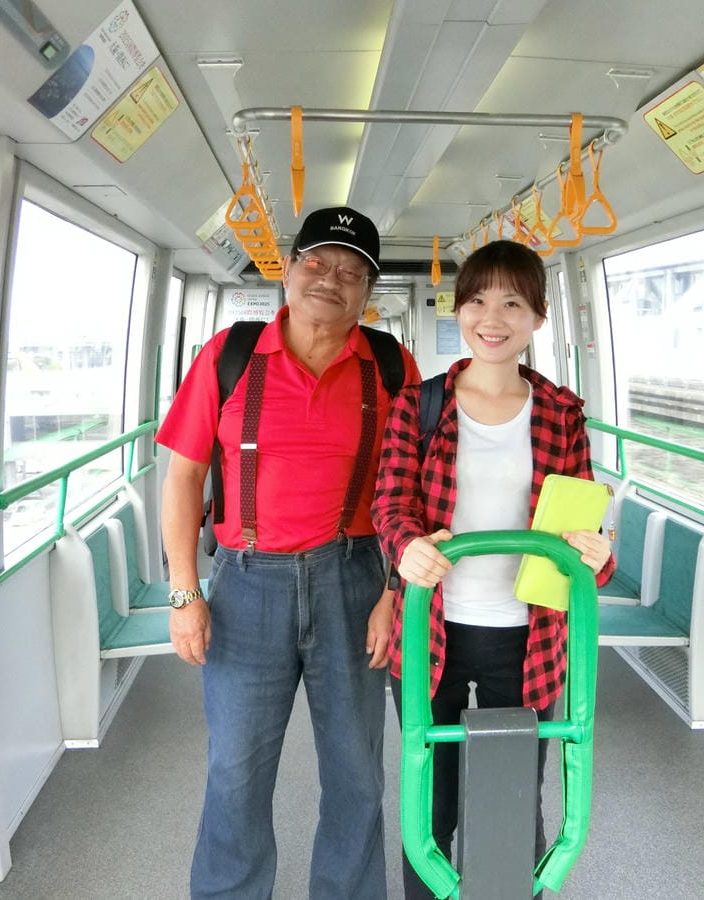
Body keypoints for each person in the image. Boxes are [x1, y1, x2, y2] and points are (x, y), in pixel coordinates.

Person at [156, 206, 422, 900]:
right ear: (289, 269)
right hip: (245, 586)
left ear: (368, 293)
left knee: (357, 774)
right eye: (317, 262)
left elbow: (412, 489)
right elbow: (182, 478)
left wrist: (393, 594)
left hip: (355, 581)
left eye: (352, 272)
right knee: (234, 774)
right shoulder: (229, 355)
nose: (330, 279)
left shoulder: (392, 366)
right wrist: (184, 593)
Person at [371, 239, 615, 898]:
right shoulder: (420, 405)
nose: (493, 318)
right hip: (433, 630)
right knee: (432, 804)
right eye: (478, 300)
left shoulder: (561, 413)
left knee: (511, 801)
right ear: (459, 310)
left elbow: (583, 521)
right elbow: (390, 505)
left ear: (537, 317)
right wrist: (406, 545)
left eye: (512, 303)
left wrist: (597, 553)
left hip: (527, 637)